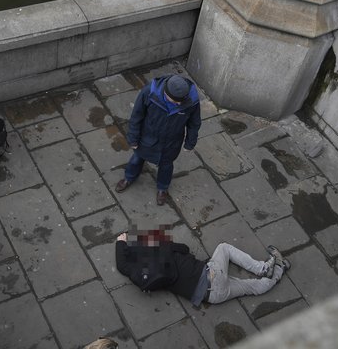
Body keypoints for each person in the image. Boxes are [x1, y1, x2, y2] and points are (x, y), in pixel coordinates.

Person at [115, 229, 290, 306]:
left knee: (249, 288)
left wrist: (120, 245)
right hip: (212, 276)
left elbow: (123, 266)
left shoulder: (147, 276)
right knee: (224, 248)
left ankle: (278, 270)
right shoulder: (163, 250)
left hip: (212, 297)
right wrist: (123, 240)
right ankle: (263, 269)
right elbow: (185, 248)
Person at [115, 74, 202, 205]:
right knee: (136, 159)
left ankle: (163, 188)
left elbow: (194, 123)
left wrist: (190, 142)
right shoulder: (149, 92)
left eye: (180, 101)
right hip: (147, 138)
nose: (178, 104)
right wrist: (133, 138)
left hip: (171, 143)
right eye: (174, 101)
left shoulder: (192, 101)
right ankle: (129, 177)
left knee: (166, 166)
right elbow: (136, 116)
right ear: (165, 93)